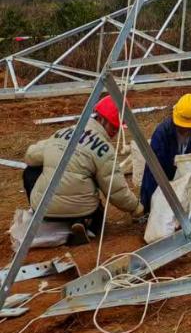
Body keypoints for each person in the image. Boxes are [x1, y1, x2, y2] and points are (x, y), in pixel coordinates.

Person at [23, 96, 143, 244]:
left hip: (43, 208)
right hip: (83, 210)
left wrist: (54, 151)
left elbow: (30, 156)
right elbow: (115, 190)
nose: (114, 133)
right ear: (102, 120)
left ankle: (48, 217)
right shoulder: (105, 150)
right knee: (95, 180)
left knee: (30, 171)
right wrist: (136, 208)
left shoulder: (62, 132)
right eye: (114, 127)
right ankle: (85, 224)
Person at [140, 93, 191, 213]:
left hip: (188, 175)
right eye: (181, 125)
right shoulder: (162, 134)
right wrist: (148, 205)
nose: (184, 129)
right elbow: (153, 172)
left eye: (188, 126)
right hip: (167, 176)